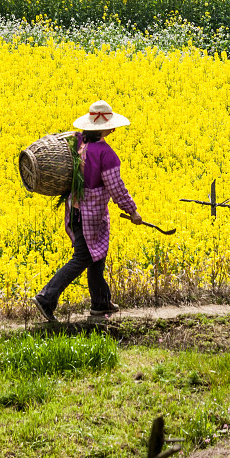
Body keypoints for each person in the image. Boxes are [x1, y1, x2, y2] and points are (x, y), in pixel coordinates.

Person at [34, 100, 142, 321]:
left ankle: (100, 303)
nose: (113, 128)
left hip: (74, 210)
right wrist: (132, 211)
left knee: (97, 258)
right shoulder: (106, 154)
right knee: (83, 257)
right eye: (110, 124)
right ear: (105, 127)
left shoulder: (78, 142)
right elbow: (117, 188)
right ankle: (46, 298)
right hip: (89, 215)